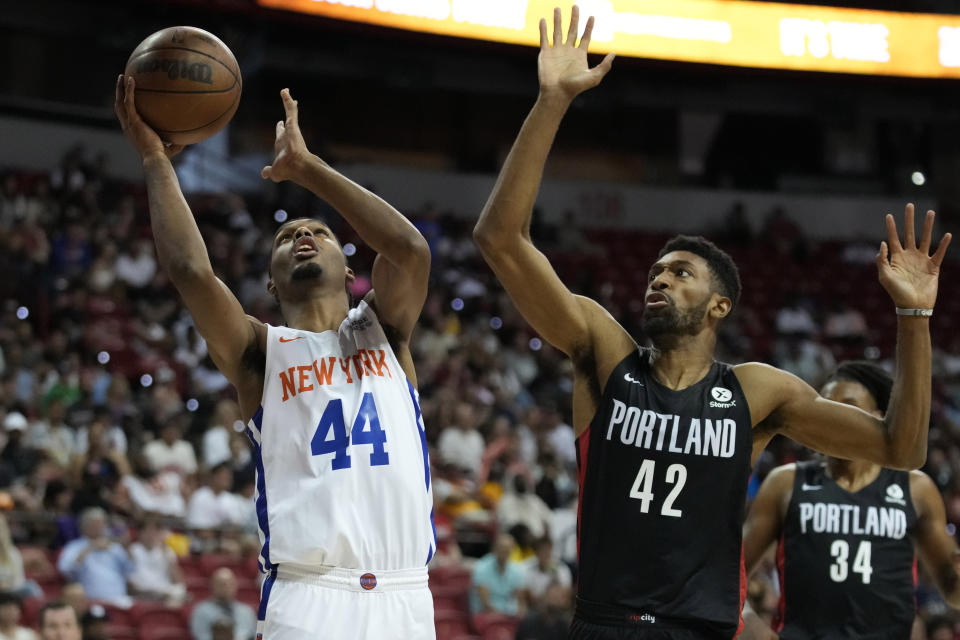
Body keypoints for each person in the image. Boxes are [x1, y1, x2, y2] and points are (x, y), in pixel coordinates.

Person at [471, 6, 951, 638]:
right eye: (655, 272)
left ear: (720, 306)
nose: (659, 280)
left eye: (679, 273)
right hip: (606, 623)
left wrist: (913, 315)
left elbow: (902, 448)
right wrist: (552, 102)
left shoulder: (756, 392)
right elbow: (500, 239)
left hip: (702, 628)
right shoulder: (604, 350)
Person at [115, 75, 435, 639]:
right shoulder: (260, 351)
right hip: (309, 593)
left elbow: (409, 249)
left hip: (406, 594)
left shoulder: (387, 331)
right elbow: (192, 272)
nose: (303, 235)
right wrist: (153, 159)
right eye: (288, 235)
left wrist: (308, 170)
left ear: (350, 268)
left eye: (319, 232)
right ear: (270, 281)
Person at [741, 361, 960, 638]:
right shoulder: (784, 482)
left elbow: (953, 590)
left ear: (879, 418)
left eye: (848, 406)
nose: (835, 419)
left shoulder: (916, 487)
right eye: (827, 407)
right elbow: (729, 571)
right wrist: (749, 622)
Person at [56, 508, 132, 607]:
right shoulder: (74, 547)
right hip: (90, 600)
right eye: (94, 524)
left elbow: (130, 570)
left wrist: (126, 548)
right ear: (84, 526)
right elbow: (65, 570)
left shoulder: (114, 547)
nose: (98, 528)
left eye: (101, 524)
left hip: (119, 599)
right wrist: (89, 548)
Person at [188, 568, 257, 640]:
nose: (227, 587)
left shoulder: (247, 611)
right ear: (212, 586)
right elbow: (201, 636)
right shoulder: (201, 611)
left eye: (231, 584)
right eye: (222, 584)